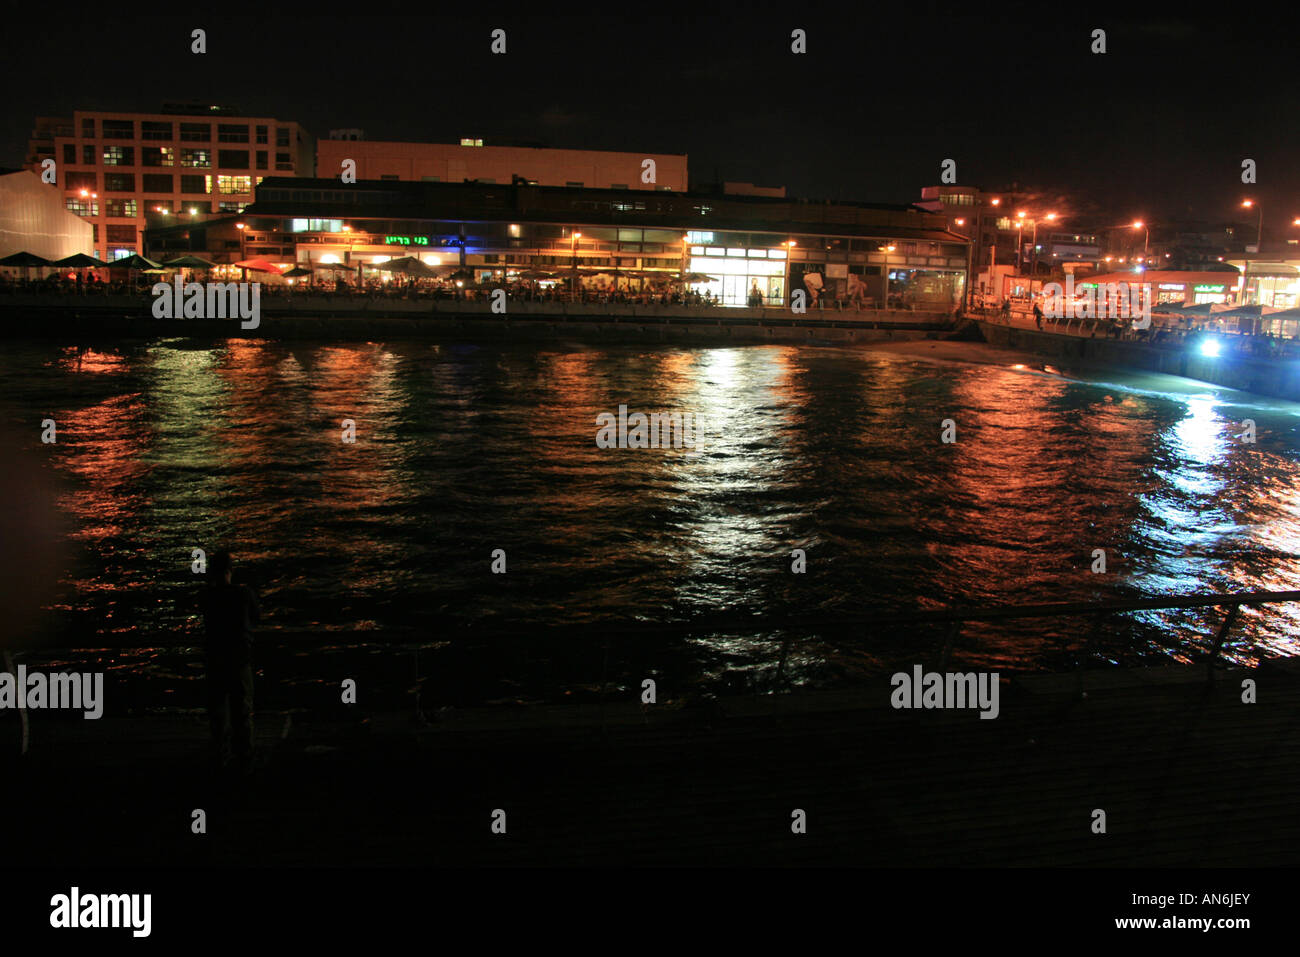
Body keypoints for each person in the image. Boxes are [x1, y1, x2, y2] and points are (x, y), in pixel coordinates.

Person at [201, 550, 260, 773]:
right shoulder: (244, 594)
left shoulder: (206, 596)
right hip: (239, 658)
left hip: (215, 658)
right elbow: (256, 618)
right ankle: (244, 757)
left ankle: (220, 756)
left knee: (217, 711)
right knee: (242, 710)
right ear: (230, 570)